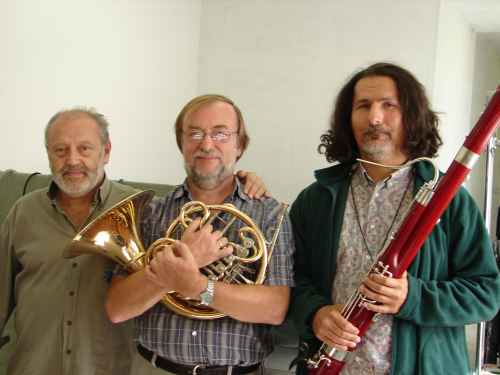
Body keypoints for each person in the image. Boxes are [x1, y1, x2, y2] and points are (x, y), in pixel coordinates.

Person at [0, 107, 269, 375]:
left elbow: (203, 192)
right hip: (32, 365)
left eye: (84, 149)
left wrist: (241, 181)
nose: (72, 160)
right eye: (60, 150)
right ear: (48, 154)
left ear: (106, 152)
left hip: (112, 367)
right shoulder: (23, 212)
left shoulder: (145, 208)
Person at [288, 62, 500, 375]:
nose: (374, 117)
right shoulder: (315, 200)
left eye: (389, 105)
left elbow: (485, 295)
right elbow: (291, 280)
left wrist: (412, 296)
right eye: (363, 106)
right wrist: (315, 313)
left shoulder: (450, 200)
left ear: (411, 116)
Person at [106, 94, 295, 375]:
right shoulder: (151, 213)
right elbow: (117, 308)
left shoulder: (271, 214)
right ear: (181, 144)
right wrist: (186, 258)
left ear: (239, 144)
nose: (206, 144)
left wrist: (196, 284)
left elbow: (274, 309)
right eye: (194, 133)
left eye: (220, 133)